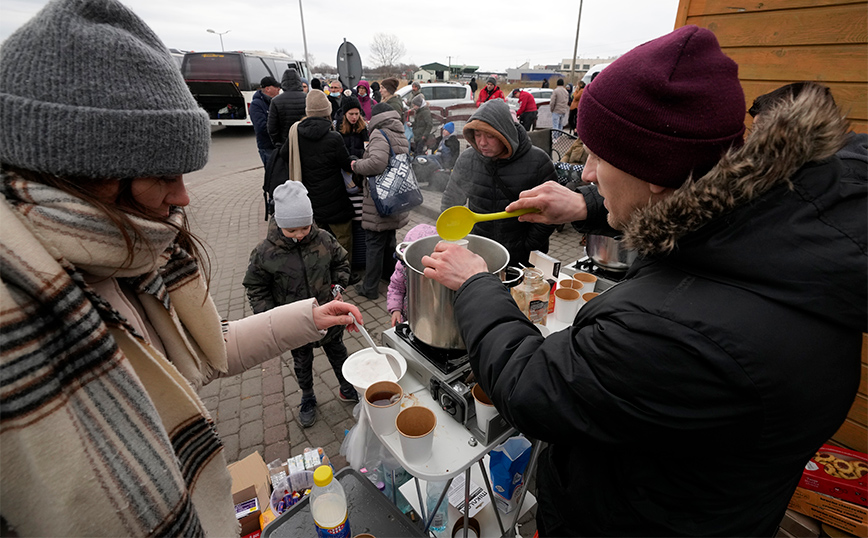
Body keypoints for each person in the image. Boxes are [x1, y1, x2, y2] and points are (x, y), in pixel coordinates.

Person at [421, 26, 867, 536]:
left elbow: (532, 387)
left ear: (653, 170)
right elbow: (676, 216)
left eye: (596, 158)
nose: (586, 174)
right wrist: (584, 207)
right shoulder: (774, 222)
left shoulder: (674, 332)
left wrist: (478, 284)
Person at [0, 1, 364, 535]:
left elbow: (203, 351)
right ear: (77, 171)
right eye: (161, 173)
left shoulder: (124, 255)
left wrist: (310, 315)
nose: (184, 194)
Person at [243, 181, 358, 427]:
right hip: (295, 324)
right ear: (280, 224)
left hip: (329, 316)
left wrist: (337, 286)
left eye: (305, 227)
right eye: (292, 230)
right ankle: (307, 396)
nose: (300, 234)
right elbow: (255, 286)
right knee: (302, 361)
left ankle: (346, 385)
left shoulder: (324, 239)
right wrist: (270, 315)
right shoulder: (265, 253)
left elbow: (341, 263)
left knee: (338, 353)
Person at [440, 99, 557, 266]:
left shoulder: (538, 161)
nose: (482, 143)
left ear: (505, 134)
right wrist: (457, 238)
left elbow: (551, 210)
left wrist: (529, 244)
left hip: (522, 255)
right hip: (479, 251)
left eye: (490, 136)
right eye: (477, 135)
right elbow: (451, 200)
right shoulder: (468, 159)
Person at [350, 103, 411, 299]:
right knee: (388, 241)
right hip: (395, 197)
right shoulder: (398, 132)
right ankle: (389, 276)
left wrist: (356, 165)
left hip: (379, 201)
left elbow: (376, 163)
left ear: (376, 117)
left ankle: (369, 288)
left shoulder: (379, 134)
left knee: (374, 245)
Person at [288, 90, 356, 257]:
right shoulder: (334, 137)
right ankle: (343, 273)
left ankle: (322, 272)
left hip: (310, 199)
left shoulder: (296, 134)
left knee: (317, 241)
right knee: (343, 238)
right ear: (328, 112)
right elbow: (346, 163)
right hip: (335, 199)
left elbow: (284, 155)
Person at [387, 223, 437, 326]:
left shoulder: (440, 272)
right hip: (408, 316)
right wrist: (396, 310)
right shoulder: (403, 267)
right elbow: (395, 288)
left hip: (434, 319)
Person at [267, 67, 307, 146]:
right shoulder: (307, 98)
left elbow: (272, 127)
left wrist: (278, 143)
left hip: (285, 142)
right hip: (305, 141)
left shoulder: (276, 101)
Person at [250, 75, 281, 164]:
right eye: (276, 87)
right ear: (267, 89)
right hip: (267, 147)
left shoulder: (275, 102)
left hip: (278, 146)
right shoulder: (256, 105)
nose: (279, 89)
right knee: (272, 174)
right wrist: (277, 130)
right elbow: (261, 127)